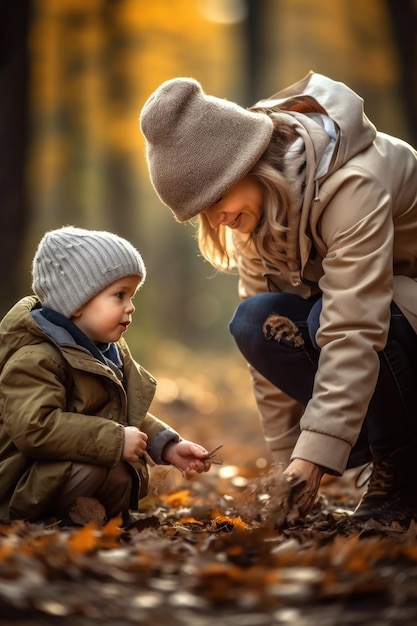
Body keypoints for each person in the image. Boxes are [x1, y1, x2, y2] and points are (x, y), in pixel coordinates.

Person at [139, 71, 417, 526]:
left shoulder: (352, 184)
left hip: (393, 319)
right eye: (201, 210)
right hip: (376, 332)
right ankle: (375, 448)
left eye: (216, 196)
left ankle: (398, 465)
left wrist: (314, 459)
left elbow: (353, 326)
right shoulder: (256, 213)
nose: (217, 218)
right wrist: (289, 465)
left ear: (248, 164)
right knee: (255, 320)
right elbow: (266, 359)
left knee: (325, 317)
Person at [0, 226, 212, 525]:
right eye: (120, 295)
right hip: (22, 485)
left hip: (57, 476)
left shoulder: (103, 351)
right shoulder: (36, 358)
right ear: (76, 301)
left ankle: (96, 525)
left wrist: (166, 445)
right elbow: (36, 428)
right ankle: (49, 525)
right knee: (101, 463)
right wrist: (113, 439)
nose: (131, 306)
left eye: (132, 295)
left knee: (116, 468)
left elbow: (123, 412)